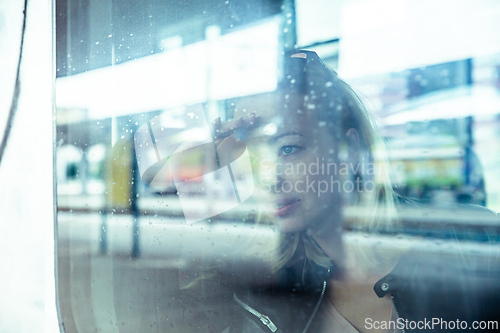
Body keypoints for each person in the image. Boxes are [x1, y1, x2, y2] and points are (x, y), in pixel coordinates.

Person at [206, 50, 500, 333]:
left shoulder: (474, 244)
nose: (269, 179)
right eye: (252, 157)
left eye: (288, 148)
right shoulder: (264, 289)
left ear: (351, 150)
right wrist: (210, 159)